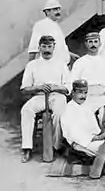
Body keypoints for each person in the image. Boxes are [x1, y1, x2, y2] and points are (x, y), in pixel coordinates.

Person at [20, 35, 71, 163]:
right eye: (44, 46)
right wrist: (39, 87)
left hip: (57, 96)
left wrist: (55, 87)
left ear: (54, 47)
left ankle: (57, 145)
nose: (47, 49)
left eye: (49, 46)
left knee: (60, 113)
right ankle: (27, 148)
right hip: (39, 96)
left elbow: (68, 88)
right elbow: (24, 88)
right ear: (39, 48)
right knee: (26, 110)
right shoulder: (32, 65)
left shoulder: (61, 64)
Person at [71, 32, 105, 130]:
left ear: (100, 44)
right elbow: (74, 82)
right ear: (86, 44)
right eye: (90, 42)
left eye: (96, 42)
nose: (93, 44)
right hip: (86, 95)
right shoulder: (80, 62)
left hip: (102, 94)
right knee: (84, 116)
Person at [28, 0, 79, 65]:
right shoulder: (40, 25)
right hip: (50, 67)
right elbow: (33, 49)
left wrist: (70, 54)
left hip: (63, 67)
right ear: (47, 11)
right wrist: (30, 68)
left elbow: (59, 47)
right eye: (55, 9)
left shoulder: (56, 26)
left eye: (59, 9)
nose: (58, 12)